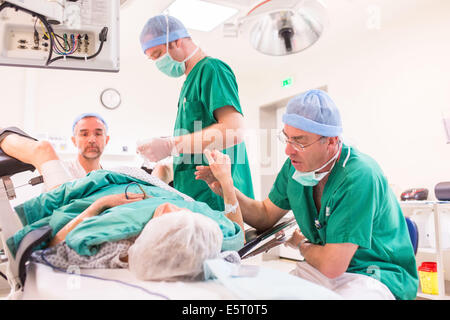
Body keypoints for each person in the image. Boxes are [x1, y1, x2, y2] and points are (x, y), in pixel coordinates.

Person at [195, 89, 419, 300]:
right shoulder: (294, 167)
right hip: (319, 269)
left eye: (300, 141)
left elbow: (333, 265)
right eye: (287, 138)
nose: (288, 150)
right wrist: (228, 188)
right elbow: (264, 215)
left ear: (331, 141)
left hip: (373, 275)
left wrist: (301, 244)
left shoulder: (358, 176)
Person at [137, 14, 254, 211]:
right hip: (197, 199)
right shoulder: (188, 85)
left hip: (218, 200)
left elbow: (234, 130)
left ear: (175, 41)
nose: (157, 63)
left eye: (157, 54)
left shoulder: (212, 69)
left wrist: (170, 145)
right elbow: (196, 141)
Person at [0, 113, 172, 191]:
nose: (91, 139)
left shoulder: (114, 176)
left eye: (98, 133)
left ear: (107, 140)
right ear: (74, 140)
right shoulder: (59, 170)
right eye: (84, 134)